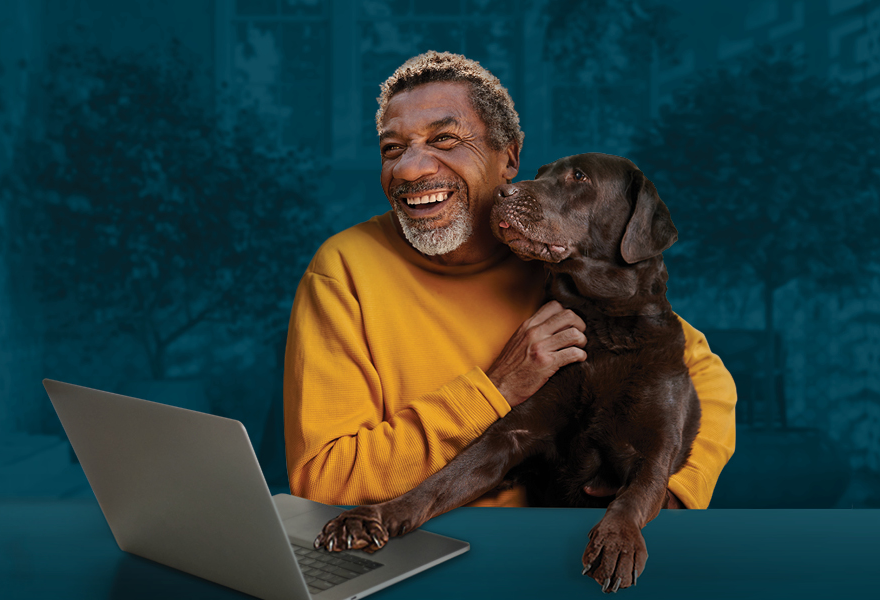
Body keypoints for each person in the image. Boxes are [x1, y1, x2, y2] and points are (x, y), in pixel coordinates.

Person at [284, 51, 736, 510]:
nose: (409, 169)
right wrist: (494, 391)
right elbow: (324, 479)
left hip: (553, 551)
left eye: (444, 139)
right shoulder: (345, 269)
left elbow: (703, 377)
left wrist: (669, 493)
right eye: (392, 148)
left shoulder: (559, 255)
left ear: (509, 157)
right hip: (413, 546)